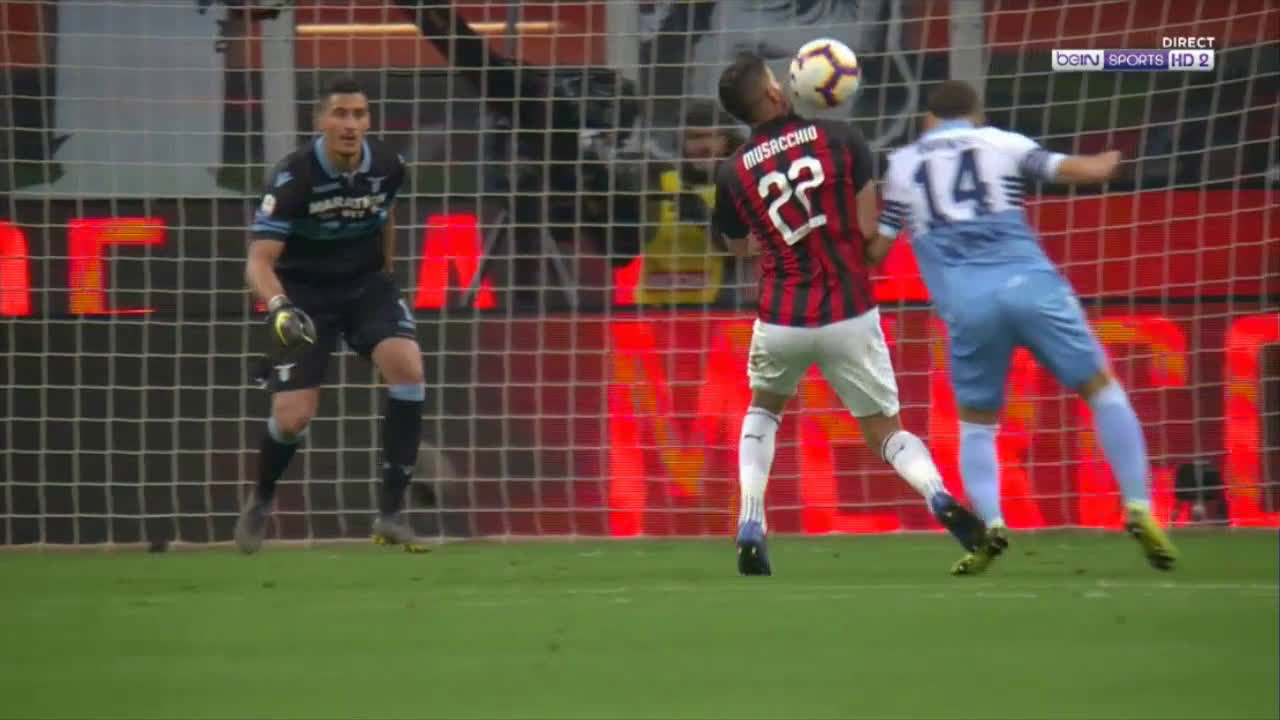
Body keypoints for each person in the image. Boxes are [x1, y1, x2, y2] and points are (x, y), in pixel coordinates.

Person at [866, 79, 1178, 575]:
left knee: (976, 425)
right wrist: (1108, 161)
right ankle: (1139, 504)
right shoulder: (1001, 142)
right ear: (976, 114)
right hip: (1033, 287)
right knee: (1101, 390)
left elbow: (877, 249)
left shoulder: (903, 165)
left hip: (968, 305)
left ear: (928, 118)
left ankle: (991, 523)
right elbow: (1075, 170)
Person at [711, 52, 986, 576]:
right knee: (886, 432)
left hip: (782, 314)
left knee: (763, 411)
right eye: (775, 78)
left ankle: (750, 521)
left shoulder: (732, 171)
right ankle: (937, 494)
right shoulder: (842, 140)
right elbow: (866, 240)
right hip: (848, 310)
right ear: (773, 93)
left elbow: (738, 248)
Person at [235, 77, 427, 554]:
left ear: (369, 121)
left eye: (359, 114)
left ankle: (391, 513)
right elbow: (258, 261)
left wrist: (387, 278)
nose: (350, 124)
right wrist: (279, 307)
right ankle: (261, 498)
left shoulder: (388, 166)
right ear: (320, 121)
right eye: (340, 114)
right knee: (293, 417)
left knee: (407, 368)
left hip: (365, 287)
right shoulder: (293, 177)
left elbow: (385, 217)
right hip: (304, 295)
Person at [395, 0, 644, 308]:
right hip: (543, 148)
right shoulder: (548, 129)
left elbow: (622, 254)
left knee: (509, 83)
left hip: (559, 164)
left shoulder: (597, 181)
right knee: (505, 81)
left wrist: (590, 189)